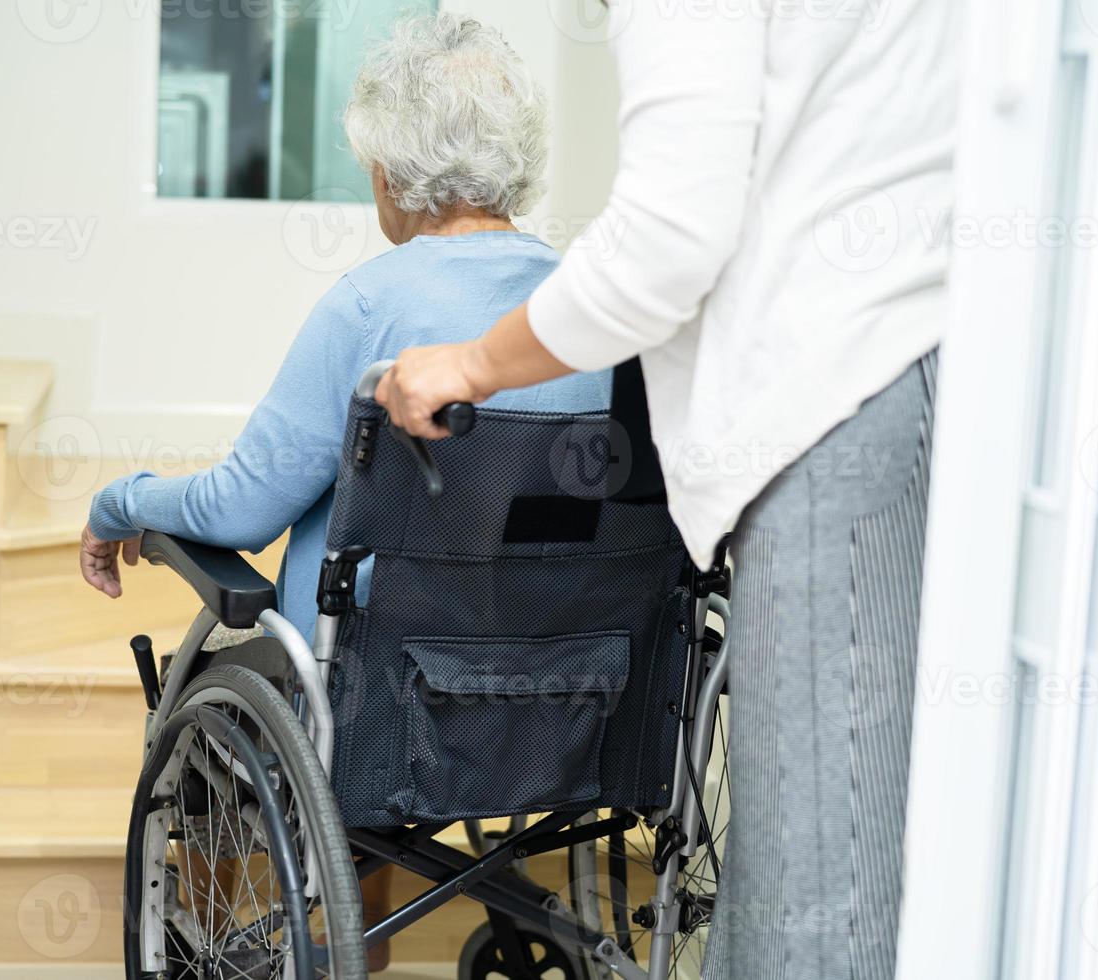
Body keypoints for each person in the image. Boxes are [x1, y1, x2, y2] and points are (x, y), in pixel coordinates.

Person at [373, 1, 960, 978]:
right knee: (821, 867)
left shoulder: (377, 303)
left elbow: (667, 242)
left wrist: (472, 365)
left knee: (817, 910)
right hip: (931, 384)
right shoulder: (549, 276)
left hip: (835, 405)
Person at [79, 13, 612, 970]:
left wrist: (123, 500)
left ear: (390, 171)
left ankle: (274, 937)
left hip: (382, 703)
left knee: (225, 679)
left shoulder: (372, 303)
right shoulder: (591, 308)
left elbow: (242, 508)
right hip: (575, 686)